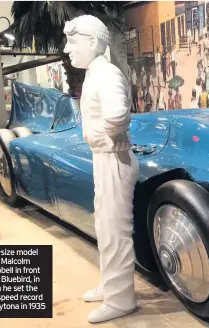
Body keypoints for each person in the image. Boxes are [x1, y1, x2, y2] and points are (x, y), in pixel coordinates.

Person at [63, 15, 139, 323]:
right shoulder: (97, 73)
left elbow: (119, 115)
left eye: (72, 41)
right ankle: (112, 286)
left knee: (115, 231)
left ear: (93, 42)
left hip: (114, 158)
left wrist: (100, 133)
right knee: (105, 228)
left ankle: (121, 299)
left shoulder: (106, 74)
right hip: (106, 158)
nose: (67, 49)